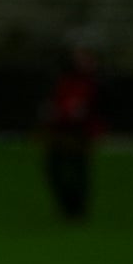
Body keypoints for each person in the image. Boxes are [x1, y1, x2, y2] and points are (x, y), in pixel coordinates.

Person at [41, 50, 103, 223]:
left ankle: (78, 209)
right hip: (61, 132)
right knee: (54, 169)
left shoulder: (94, 84)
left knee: (78, 169)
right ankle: (68, 206)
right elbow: (53, 105)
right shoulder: (63, 82)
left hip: (80, 133)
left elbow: (97, 110)